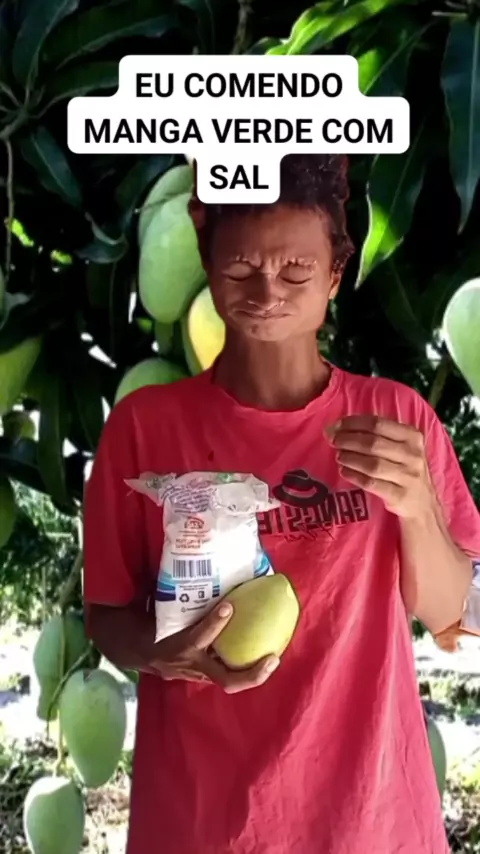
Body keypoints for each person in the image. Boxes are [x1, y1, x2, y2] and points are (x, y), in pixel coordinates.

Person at [83, 154, 480, 854]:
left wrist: (419, 505)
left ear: (334, 274)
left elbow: (456, 617)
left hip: (373, 827)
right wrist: (164, 652)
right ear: (208, 261)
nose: (268, 291)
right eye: (241, 267)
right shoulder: (145, 428)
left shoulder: (396, 420)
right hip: (202, 827)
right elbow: (108, 616)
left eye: (296, 271)